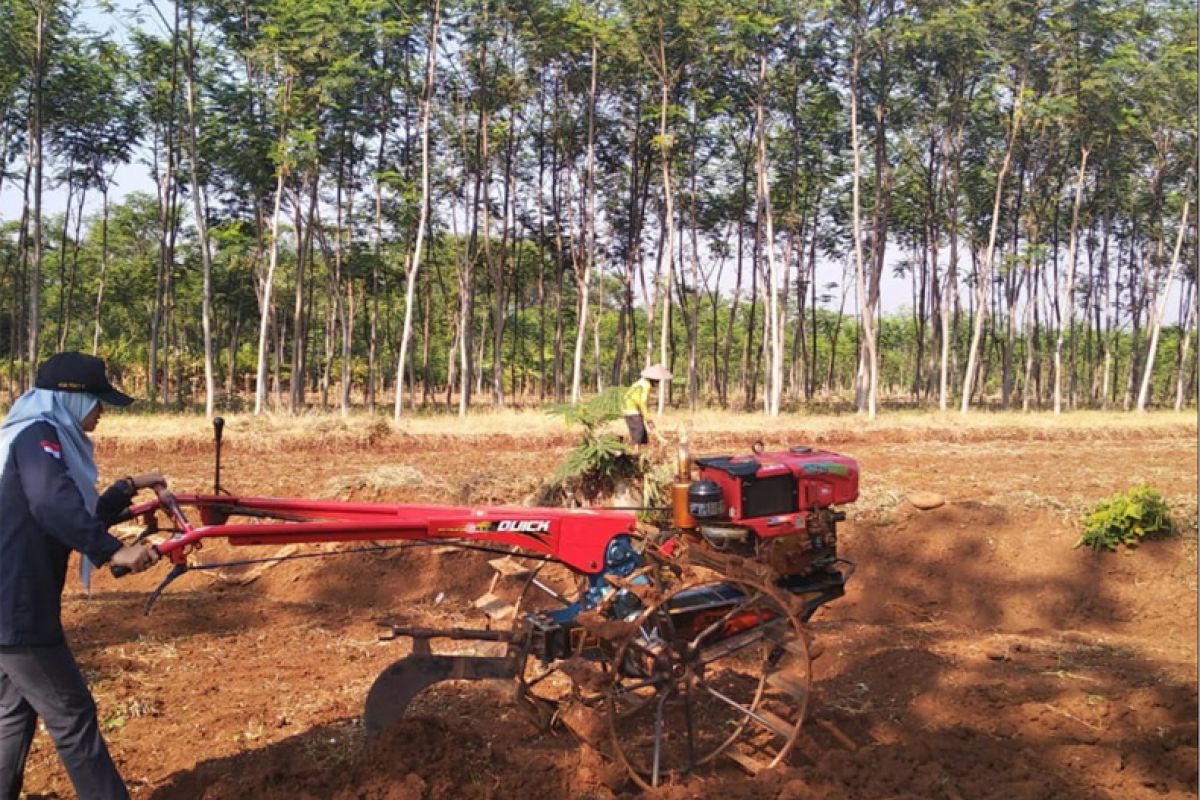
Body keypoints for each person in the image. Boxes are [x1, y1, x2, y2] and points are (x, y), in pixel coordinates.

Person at [0, 352, 161, 800]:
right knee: (72, 714)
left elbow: (76, 510)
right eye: (98, 401)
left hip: (10, 604)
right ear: (70, 399)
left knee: (13, 713)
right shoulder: (37, 438)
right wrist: (114, 551)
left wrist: (128, 486)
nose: (102, 412)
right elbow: (53, 506)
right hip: (17, 606)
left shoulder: (30, 436)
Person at [622, 364, 672, 447]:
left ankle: (641, 450)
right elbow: (642, 402)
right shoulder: (645, 385)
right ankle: (636, 451)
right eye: (657, 381)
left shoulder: (642, 382)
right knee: (639, 432)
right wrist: (647, 417)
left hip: (633, 409)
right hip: (630, 409)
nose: (658, 383)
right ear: (652, 379)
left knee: (643, 435)